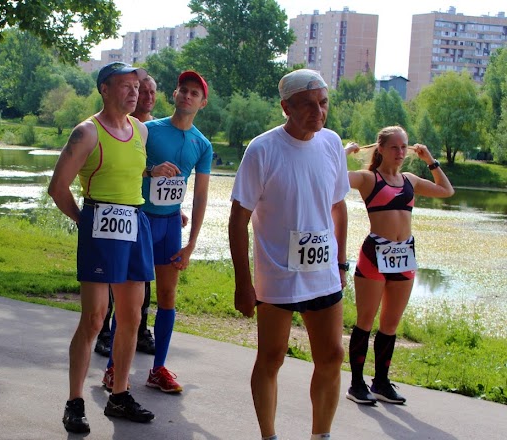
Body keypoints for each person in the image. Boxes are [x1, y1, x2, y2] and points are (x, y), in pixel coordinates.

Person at [228, 69, 349, 440]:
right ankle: (269, 436)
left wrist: (341, 262)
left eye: (323, 103)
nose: (318, 111)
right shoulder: (263, 149)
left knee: (331, 357)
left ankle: (320, 435)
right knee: (272, 357)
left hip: (322, 272)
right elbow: (238, 219)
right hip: (277, 273)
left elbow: (338, 207)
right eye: (308, 104)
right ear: (286, 107)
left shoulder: (331, 144)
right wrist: (243, 283)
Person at [50, 61, 167, 433]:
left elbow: (130, 171)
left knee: (131, 317)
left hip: (135, 223)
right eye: (125, 86)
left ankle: (119, 394)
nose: (134, 92)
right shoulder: (87, 132)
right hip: (101, 223)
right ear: (104, 89)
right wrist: (86, 223)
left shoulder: (141, 131)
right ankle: (74, 401)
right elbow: (58, 187)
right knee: (95, 318)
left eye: (138, 86)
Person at [343, 128, 454, 405]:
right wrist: (344, 152)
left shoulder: (410, 180)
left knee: (390, 325)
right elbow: (329, 178)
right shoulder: (369, 179)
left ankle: (381, 382)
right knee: (365, 322)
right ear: (380, 149)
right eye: (395, 147)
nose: (401, 152)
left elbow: (446, 190)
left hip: (404, 256)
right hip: (374, 255)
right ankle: (357, 384)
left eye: (404, 147)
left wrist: (430, 160)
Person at [119, 70, 212, 394]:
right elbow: (126, 168)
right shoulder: (148, 131)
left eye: (194, 93)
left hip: (171, 225)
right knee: (133, 301)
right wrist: (150, 170)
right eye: (183, 90)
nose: (187, 96)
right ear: (174, 94)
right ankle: (113, 369)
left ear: (202, 102)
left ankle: (157, 369)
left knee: (168, 298)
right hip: (142, 220)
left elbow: (200, 196)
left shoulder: (202, 144)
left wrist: (191, 245)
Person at [95, 74, 159, 358]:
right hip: (109, 214)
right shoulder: (103, 127)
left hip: (140, 213)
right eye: (138, 90)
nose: (144, 96)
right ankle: (104, 332)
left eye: (148, 91)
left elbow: (143, 171)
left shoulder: (150, 129)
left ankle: (140, 331)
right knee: (110, 279)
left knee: (139, 282)